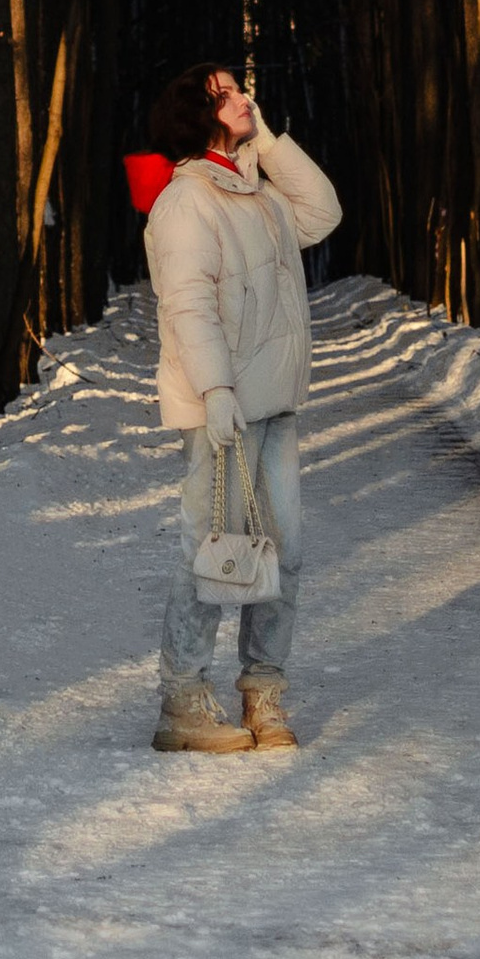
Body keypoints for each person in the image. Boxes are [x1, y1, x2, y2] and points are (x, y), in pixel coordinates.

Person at [123, 61, 342, 754]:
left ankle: (263, 692)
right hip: (225, 406)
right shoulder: (187, 201)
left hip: (274, 402)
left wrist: (270, 142)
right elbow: (187, 304)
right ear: (199, 112)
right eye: (227, 93)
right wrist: (215, 391)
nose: (244, 96)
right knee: (211, 549)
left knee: (286, 553)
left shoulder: (256, 191)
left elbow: (324, 213)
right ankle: (182, 700)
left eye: (241, 88)